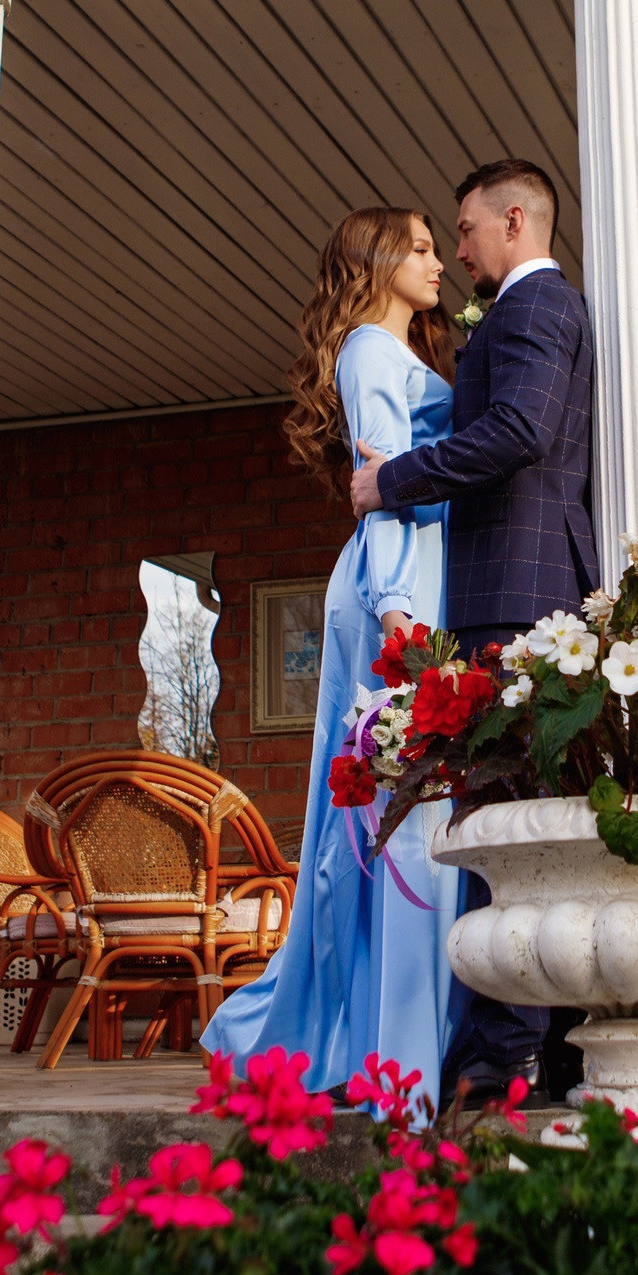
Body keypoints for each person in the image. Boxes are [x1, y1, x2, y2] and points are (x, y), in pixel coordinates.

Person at [200, 207, 467, 1103]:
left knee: (413, 809)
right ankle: (390, 1061)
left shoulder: (403, 355)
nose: (439, 264)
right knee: (398, 816)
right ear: (378, 259)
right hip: (398, 585)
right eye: (423, 249)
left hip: (421, 574)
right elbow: (383, 486)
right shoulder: (368, 352)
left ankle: (387, 1045)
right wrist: (400, 613)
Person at [351, 158, 595, 1108]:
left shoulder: (536, 308)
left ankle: (512, 1049)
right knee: (525, 816)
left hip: (515, 591)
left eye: (464, 230)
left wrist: (394, 480)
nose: (457, 250)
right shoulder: (538, 312)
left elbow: (520, 432)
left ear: (516, 220)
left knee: (511, 824)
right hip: (526, 585)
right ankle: (542, 1037)